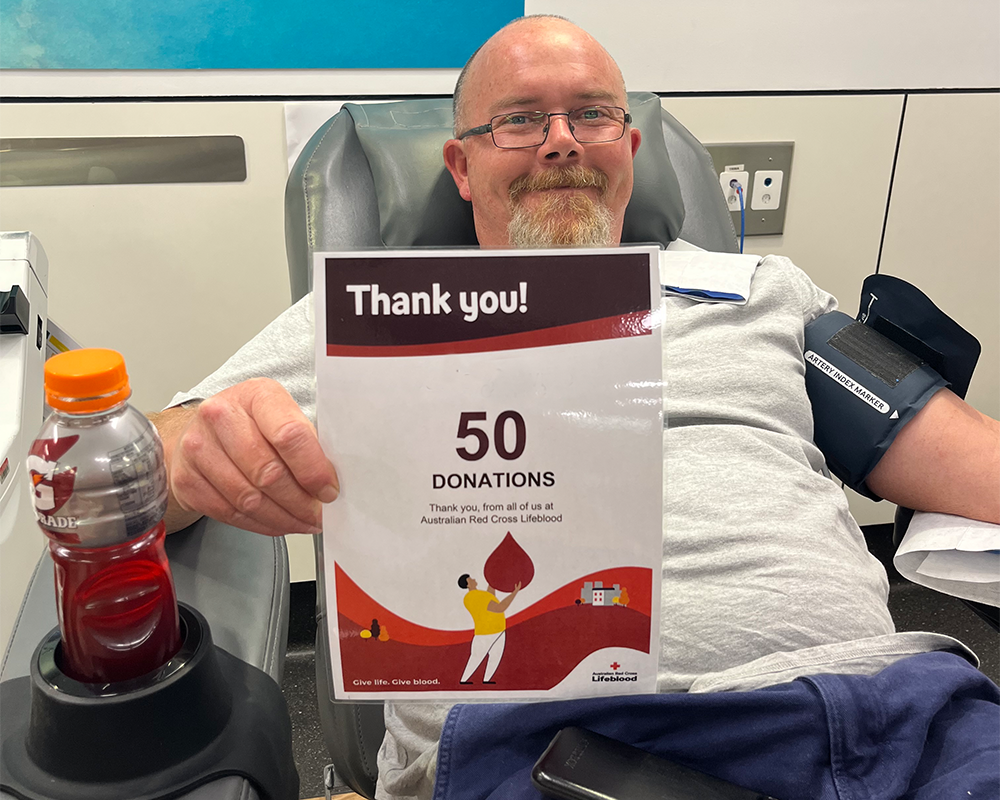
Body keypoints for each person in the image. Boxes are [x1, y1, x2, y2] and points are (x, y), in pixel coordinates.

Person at [151, 15, 1000, 800]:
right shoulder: (373, 316)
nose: (562, 143)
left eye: (591, 115)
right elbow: (133, 471)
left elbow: (977, 466)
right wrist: (198, 452)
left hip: (890, 721)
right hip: (548, 750)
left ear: (628, 147)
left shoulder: (761, 294)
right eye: (519, 120)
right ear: (460, 164)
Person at [457, 575, 521, 685]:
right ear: (467, 584)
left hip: (499, 630)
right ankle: (463, 680)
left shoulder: (480, 594)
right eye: (470, 579)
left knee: (495, 656)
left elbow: (490, 597)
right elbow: (500, 607)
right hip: (485, 633)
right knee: (476, 657)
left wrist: (493, 581)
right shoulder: (472, 597)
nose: (473, 579)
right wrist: (514, 593)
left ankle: (486, 680)